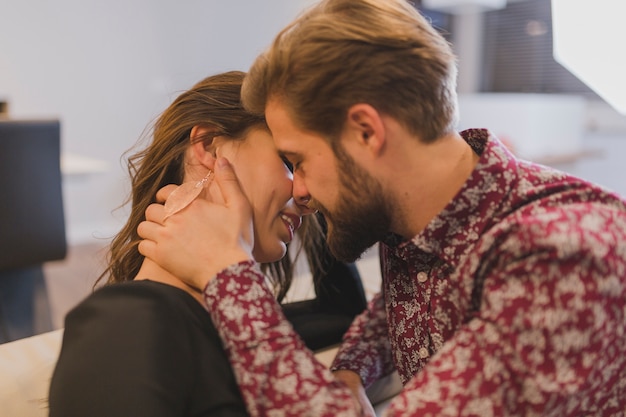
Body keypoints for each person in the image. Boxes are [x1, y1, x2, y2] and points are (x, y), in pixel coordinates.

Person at [137, 0, 626, 416]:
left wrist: (228, 273)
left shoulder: (559, 261)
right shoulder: (425, 216)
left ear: (367, 132)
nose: (300, 191)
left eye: (299, 160)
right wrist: (352, 368)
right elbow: (405, 309)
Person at [48, 71, 364, 416]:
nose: (308, 196)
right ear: (210, 146)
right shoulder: (125, 321)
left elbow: (344, 313)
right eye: (290, 161)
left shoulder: (243, 322)